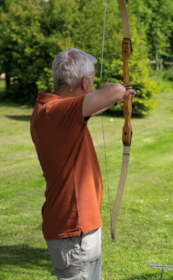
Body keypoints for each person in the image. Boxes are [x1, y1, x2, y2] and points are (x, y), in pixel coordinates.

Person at [30, 48, 135, 280]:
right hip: (74, 230)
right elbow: (114, 90)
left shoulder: (50, 109)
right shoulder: (58, 112)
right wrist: (120, 91)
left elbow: (93, 107)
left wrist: (118, 98)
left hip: (75, 228)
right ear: (86, 81)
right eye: (93, 79)